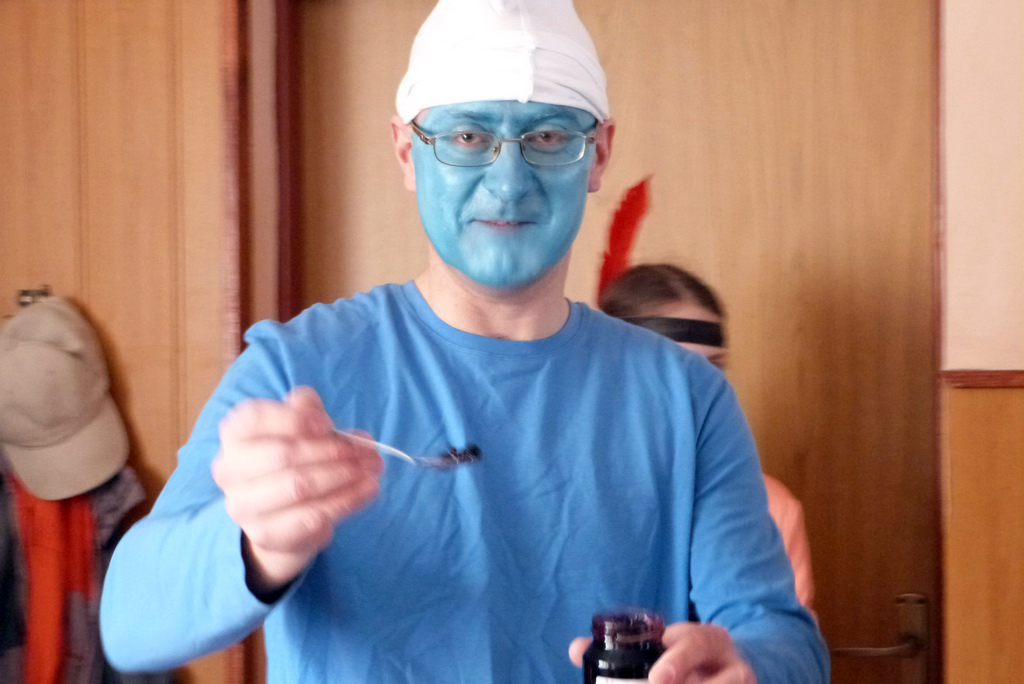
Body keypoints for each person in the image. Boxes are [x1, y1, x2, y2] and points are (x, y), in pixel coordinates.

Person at [99, 1, 829, 682]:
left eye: (548, 137)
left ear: (600, 153)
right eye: (467, 137)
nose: (508, 183)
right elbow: (129, 623)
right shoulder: (298, 369)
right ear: (405, 151)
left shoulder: (688, 399)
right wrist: (257, 544)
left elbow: (783, 637)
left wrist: (750, 665)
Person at [598, 263, 816, 610]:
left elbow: (782, 637)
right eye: (670, 369)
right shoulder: (568, 500)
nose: (697, 392)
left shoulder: (771, 508)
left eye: (712, 368)